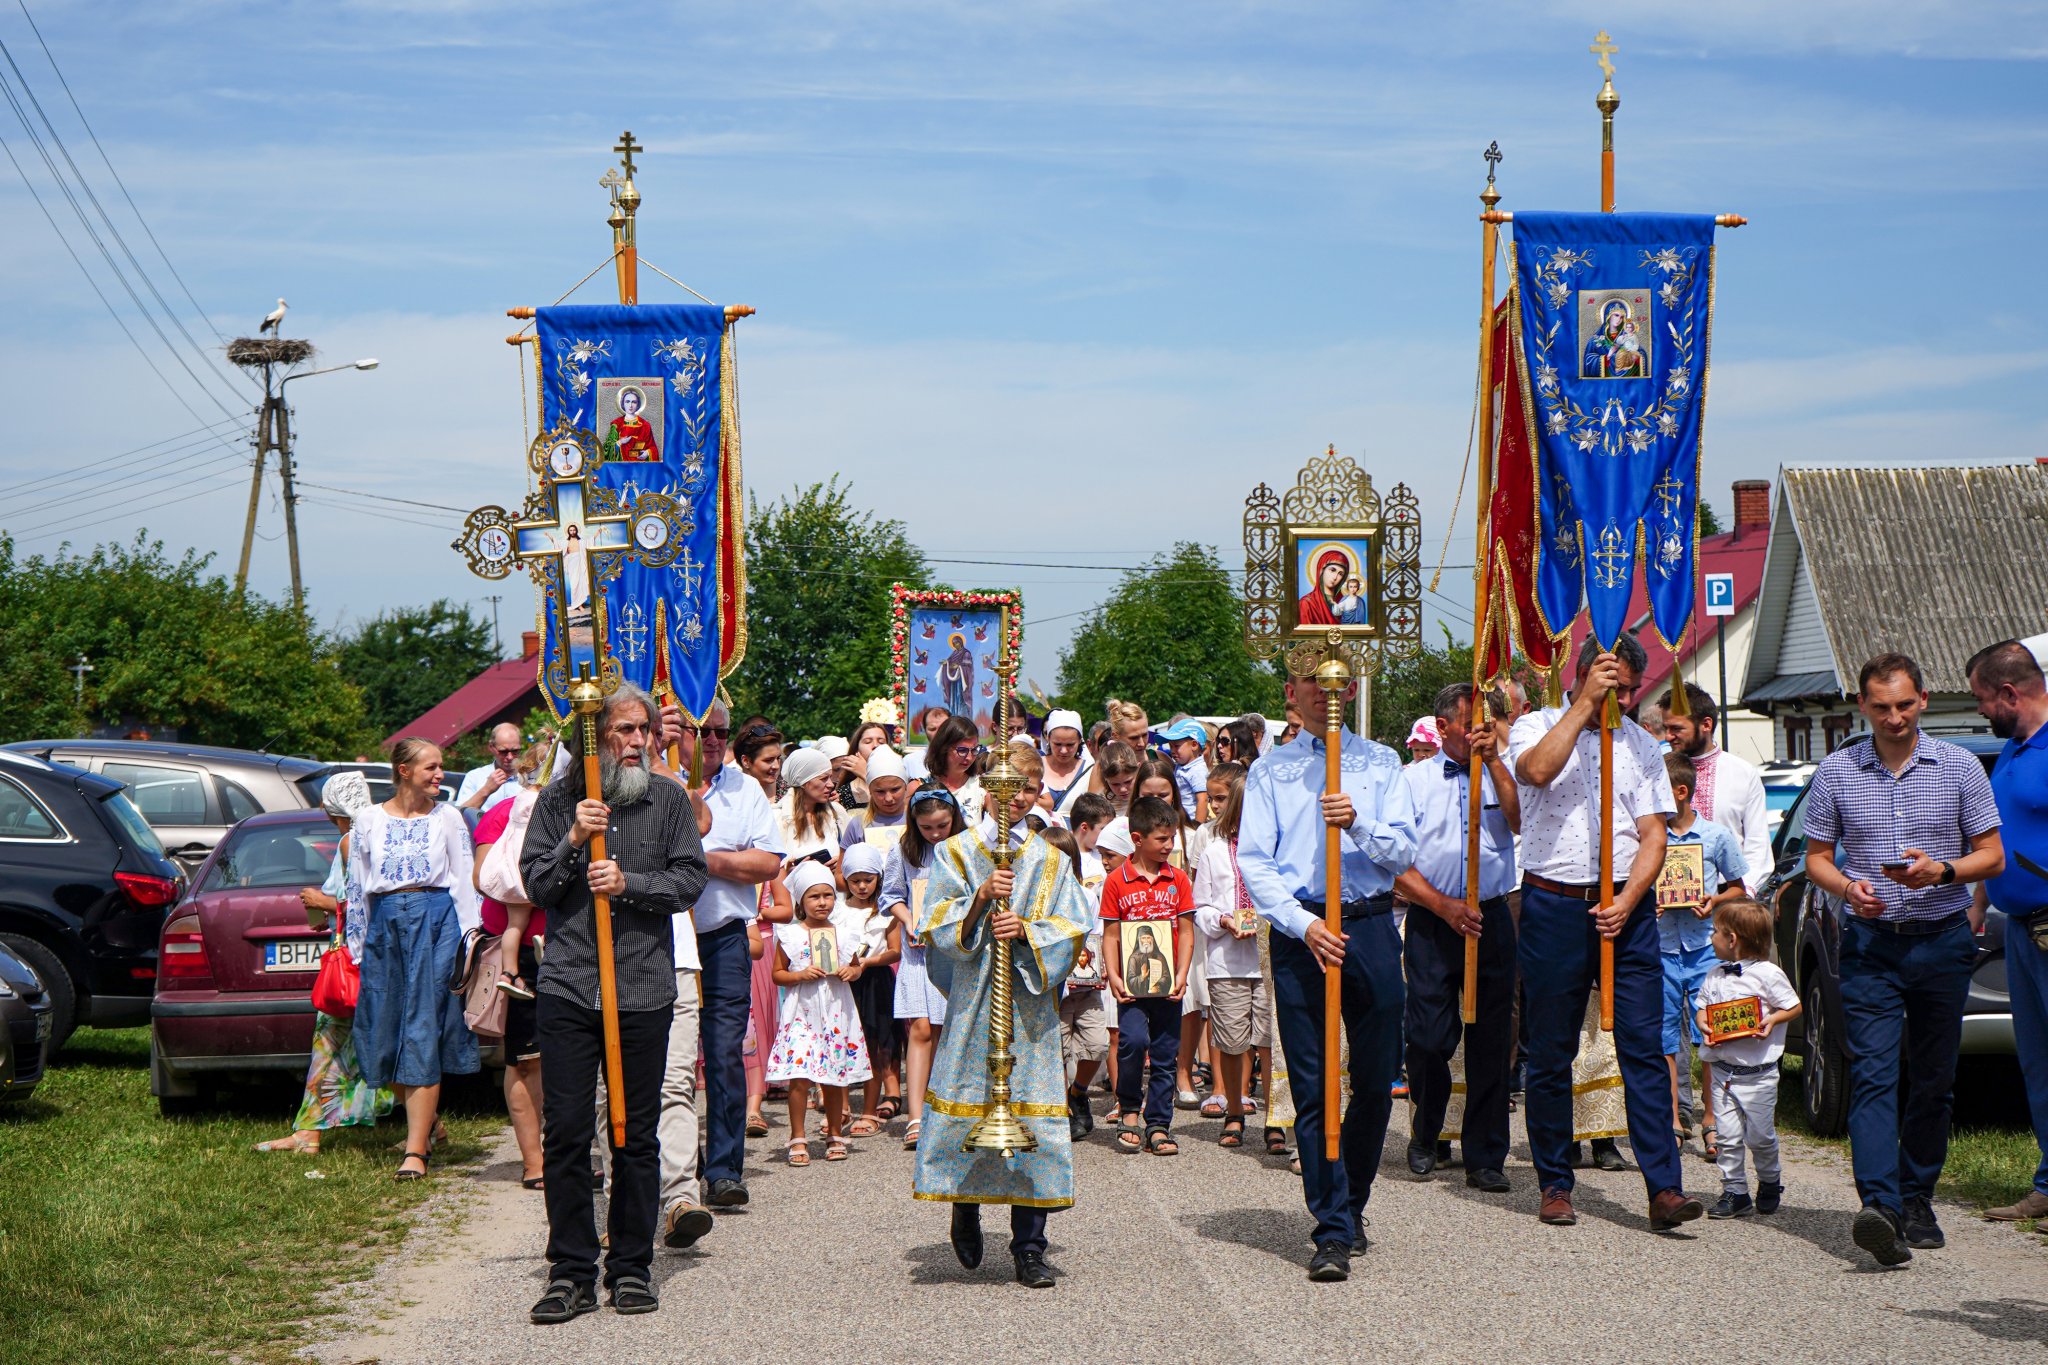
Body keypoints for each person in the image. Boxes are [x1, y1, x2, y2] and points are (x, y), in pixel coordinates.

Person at [1802, 652, 2004, 1267]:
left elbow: (1991, 857)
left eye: (1905, 705)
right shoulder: (1837, 770)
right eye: (1881, 706)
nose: (1894, 717)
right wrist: (1847, 889)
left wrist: (1941, 869)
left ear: (1922, 701)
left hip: (1942, 938)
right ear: (1862, 706)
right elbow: (1817, 858)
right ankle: (1881, 1207)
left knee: (1935, 1080)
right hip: (1869, 942)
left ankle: (1918, 1196)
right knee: (1872, 1074)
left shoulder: (1960, 767)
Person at [522, 683, 707, 1323]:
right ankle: (570, 1271)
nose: (634, 742)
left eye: (642, 730)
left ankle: (630, 1266)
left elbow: (689, 880)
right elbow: (535, 884)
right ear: (593, 739)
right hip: (572, 985)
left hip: (642, 988)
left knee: (635, 1132)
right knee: (568, 1133)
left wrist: (630, 884)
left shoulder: (669, 800)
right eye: (622, 731)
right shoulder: (558, 800)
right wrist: (574, 840)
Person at [1509, 631, 1698, 1232]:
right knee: (1551, 1051)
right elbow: (1535, 772)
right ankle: (1555, 1182)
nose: (1627, 698)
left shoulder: (1641, 745)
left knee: (1643, 1046)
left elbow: (1654, 836)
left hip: (1628, 911)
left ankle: (1664, 1187)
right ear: (1587, 673)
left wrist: (1629, 898)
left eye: (1632, 689)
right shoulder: (1536, 723)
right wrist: (1586, 707)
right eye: (1616, 685)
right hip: (1554, 906)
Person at [1237, 661, 1416, 1278]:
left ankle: (1353, 1198)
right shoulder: (1270, 770)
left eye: (1337, 680)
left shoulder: (1383, 763)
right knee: (1313, 1087)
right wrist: (1303, 925)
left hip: (1367, 924)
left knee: (1373, 1082)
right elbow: (1256, 862)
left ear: (1356, 687)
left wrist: (1357, 822)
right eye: (1312, 680)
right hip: (1302, 930)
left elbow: (1403, 851)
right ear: (1292, 694)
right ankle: (1331, 1229)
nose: (1325, 691)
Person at [915, 749, 1088, 1289]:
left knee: (1031, 1120)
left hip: (1030, 1011)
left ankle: (1029, 1246)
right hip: (974, 1004)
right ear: (987, 789)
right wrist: (979, 903)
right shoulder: (956, 854)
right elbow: (935, 924)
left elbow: (1075, 922)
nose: (1018, 797)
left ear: (1040, 793)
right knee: (971, 1107)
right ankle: (963, 1203)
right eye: (1007, 786)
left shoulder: (1052, 859)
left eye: (1030, 787)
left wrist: (1031, 933)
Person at [1394, 683, 1519, 1192]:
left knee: (1492, 1041)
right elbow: (1395, 864)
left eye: (1484, 721)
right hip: (1433, 919)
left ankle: (1486, 1154)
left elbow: (1519, 821)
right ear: (1442, 726)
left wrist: (1493, 765)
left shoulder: (1498, 773)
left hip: (1490, 917)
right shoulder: (1412, 781)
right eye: (1469, 722)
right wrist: (1443, 907)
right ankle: (1427, 1134)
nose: (1478, 730)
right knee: (1427, 1039)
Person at [664, 702, 783, 1217]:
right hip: (664, 942)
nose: (713, 740)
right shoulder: (656, 777)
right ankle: (671, 1166)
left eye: (721, 732)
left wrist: (705, 860)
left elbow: (766, 862)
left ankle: (724, 1170)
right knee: (669, 1059)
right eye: (702, 730)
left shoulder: (744, 789)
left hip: (724, 937)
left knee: (725, 1052)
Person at [349, 739, 482, 1182]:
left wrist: (471, 942)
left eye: (441, 766)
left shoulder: (448, 817)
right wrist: (358, 944)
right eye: (431, 767)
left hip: (435, 923)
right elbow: (358, 889)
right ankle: (429, 1124)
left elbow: (464, 881)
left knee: (423, 1025)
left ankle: (415, 1152)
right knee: (382, 1027)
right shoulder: (368, 820)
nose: (440, 774)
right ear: (404, 771)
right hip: (386, 926)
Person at [256, 772, 394, 1154]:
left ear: (334, 805)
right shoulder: (367, 833)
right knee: (353, 1045)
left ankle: (429, 1126)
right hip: (364, 955)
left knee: (350, 1044)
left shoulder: (353, 839)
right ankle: (309, 1132)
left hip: (358, 960)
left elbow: (368, 903)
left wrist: (323, 904)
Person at [1967, 641, 2048, 1225]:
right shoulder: (2016, 752)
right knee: (2037, 1064)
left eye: (1981, 700)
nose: (1979, 713)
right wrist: (1978, 900)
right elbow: (1997, 845)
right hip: (2019, 931)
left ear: (2009, 694)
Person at [471, 741, 556, 1189]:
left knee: (582, 1059)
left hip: (573, 942)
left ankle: (573, 1152)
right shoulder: (503, 813)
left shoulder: (584, 807)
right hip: (527, 948)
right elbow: (482, 878)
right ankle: (534, 1160)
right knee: (526, 1061)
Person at [1658, 751, 1748, 1153]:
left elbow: (1738, 888)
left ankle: (1712, 1118)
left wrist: (1714, 900)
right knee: (1662, 1035)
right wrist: (1649, 899)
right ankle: (1673, 1118)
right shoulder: (1650, 836)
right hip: (1660, 946)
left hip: (1702, 950)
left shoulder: (1715, 837)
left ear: (1680, 792)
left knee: (1709, 1033)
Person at [1695, 898, 1800, 1220]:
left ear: (1732, 940)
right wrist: (1704, 1025)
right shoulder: (1715, 974)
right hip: (1723, 1072)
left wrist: (1771, 1021)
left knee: (1760, 1136)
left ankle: (1769, 1180)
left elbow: (1793, 1006)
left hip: (1759, 1075)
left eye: (1715, 931)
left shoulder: (1769, 974)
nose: (1710, 937)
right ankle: (1735, 1191)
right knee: (1726, 1136)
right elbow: (1702, 1009)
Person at [1103, 796, 1196, 1156]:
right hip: (1132, 984)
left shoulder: (1179, 879)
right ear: (1137, 838)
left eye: (1172, 838)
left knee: (1164, 1054)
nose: (1169, 846)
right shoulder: (1117, 881)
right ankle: (1129, 1106)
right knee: (1132, 1043)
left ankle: (1158, 1123)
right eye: (1161, 839)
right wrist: (1114, 975)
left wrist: (1183, 973)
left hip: (1168, 982)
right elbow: (1110, 934)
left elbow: (1187, 931)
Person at [768, 861, 873, 1165]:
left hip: (836, 1009)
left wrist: (851, 971)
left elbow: (855, 965)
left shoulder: (843, 933)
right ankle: (798, 1135)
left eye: (828, 895)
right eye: (814, 897)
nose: (823, 902)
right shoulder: (791, 935)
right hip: (803, 1011)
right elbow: (778, 974)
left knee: (834, 1075)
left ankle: (835, 1132)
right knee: (800, 1076)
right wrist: (800, 975)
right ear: (801, 900)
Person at [886, 785, 967, 1148]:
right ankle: (916, 1116)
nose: (935, 834)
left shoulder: (966, 848)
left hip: (954, 953)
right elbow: (892, 896)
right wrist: (908, 921)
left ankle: (949, 1111)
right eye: (927, 828)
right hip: (918, 953)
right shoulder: (904, 851)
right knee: (919, 1029)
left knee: (951, 1033)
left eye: (942, 826)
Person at [1192, 763, 1268, 1149]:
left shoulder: (1274, 851)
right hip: (1228, 959)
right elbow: (1200, 906)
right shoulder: (1214, 851)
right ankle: (1235, 1109)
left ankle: (1276, 1117)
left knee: (1270, 1040)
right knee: (1234, 1041)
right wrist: (1223, 918)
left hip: (1269, 959)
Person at [840, 844, 903, 1131]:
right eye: (855, 880)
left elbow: (895, 950)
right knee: (841, 1043)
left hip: (875, 980)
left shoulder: (886, 911)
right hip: (843, 981)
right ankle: (840, 1108)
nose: (862, 886)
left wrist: (867, 962)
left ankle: (870, 1109)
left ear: (879, 876)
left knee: (875, 1044)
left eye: (868, 879)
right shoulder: (838, 910)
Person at [777, 746, 849, 868]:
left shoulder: (837, 812)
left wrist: (842, 862)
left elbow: (853, 853)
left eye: (830, 777)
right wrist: (788, 871)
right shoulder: (779, 817)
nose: (831, 784)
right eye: (823, 779)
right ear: (804, 781)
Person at [916, 714, 986, 824]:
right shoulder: (919, 787)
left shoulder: (983, 787)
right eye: (962, 750)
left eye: (974, 750)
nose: (969, 757)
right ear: (943, 748)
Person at [842, 745, 909, 852]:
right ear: (870, 790)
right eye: (880, 791)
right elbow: (842, 867)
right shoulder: (858, 825)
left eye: (895, 790)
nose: (888, 798)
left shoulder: (918, 820)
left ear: (906, 786)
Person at [457, 722, 527, 812]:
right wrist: (486, 790)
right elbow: (459, 814)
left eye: (515, 751)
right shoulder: (475, 777)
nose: (510, 757)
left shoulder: (531, 777)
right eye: (503, 752)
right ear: (491, 747)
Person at [1039, 709, 1095, 819]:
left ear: (1079, 740)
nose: (1063, 750)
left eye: (1070, 745)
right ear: (1048, 738)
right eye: (1058, 744)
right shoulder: (1034, 765)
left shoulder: (1090, 770)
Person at [1157, 716, 1212, 824]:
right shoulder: (1182, 765)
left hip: (1191, 823)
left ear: (1194, 745)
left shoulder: (1197, 770)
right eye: (1170, 746)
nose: (1172, 751)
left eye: (1176, 746)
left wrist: (1197, 827)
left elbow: (1203, 800)